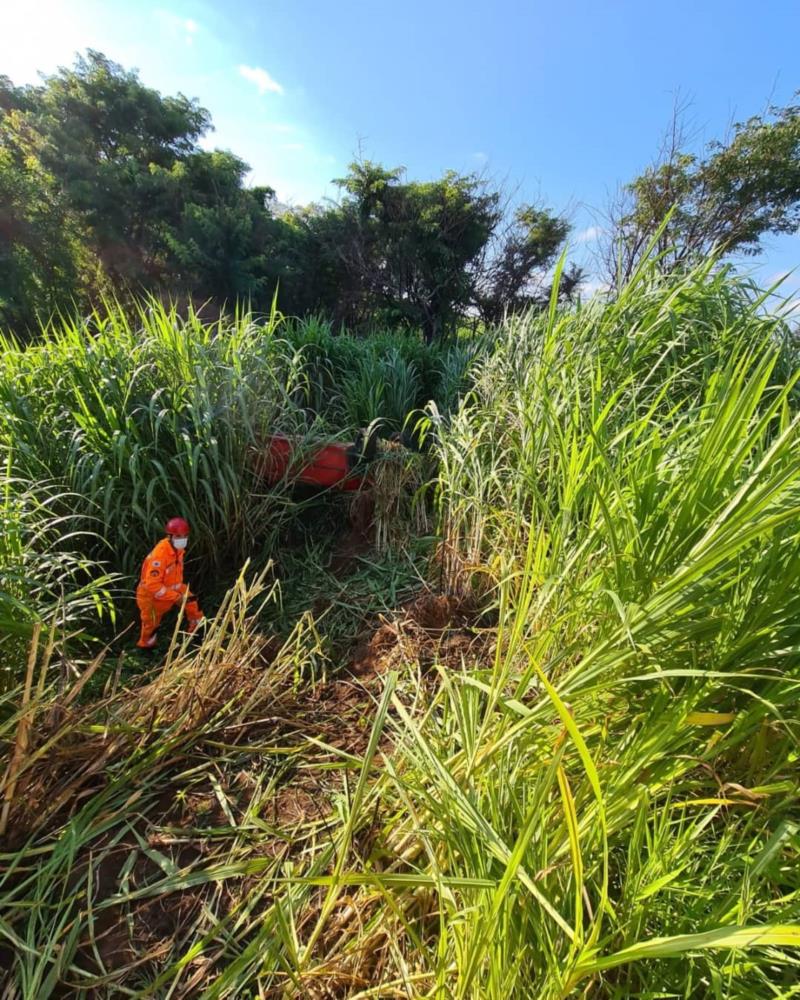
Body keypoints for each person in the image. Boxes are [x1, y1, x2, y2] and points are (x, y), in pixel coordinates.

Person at [136, 517, 204, 649]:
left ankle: (196, 633)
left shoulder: (177, 550)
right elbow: (152, 585)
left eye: (185, 536)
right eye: (178, 536)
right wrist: (176, 597)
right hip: (152, 597)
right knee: (151, 625)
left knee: (193, 603)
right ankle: (146, 648)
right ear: (170, 536)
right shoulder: (160, 555)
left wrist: (177, 595)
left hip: (174, 589)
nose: (182, 539)